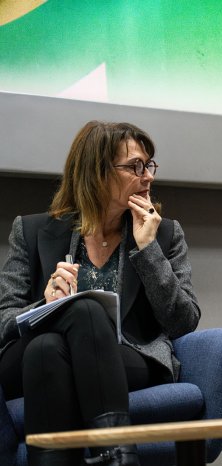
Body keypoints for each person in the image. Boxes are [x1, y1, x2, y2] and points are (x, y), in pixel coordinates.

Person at [0, 121, 201, 466]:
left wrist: (148, 250)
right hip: (25, 358)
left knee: (50, 349)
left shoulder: (164, 234)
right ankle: (119, 456)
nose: (148, 176)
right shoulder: (31, 231)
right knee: (75, 317)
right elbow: (4, 319)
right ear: (97, 172)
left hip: (126, 356)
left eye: (149, 165)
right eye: (135, 166)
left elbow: (184, 321)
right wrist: (45, 304)